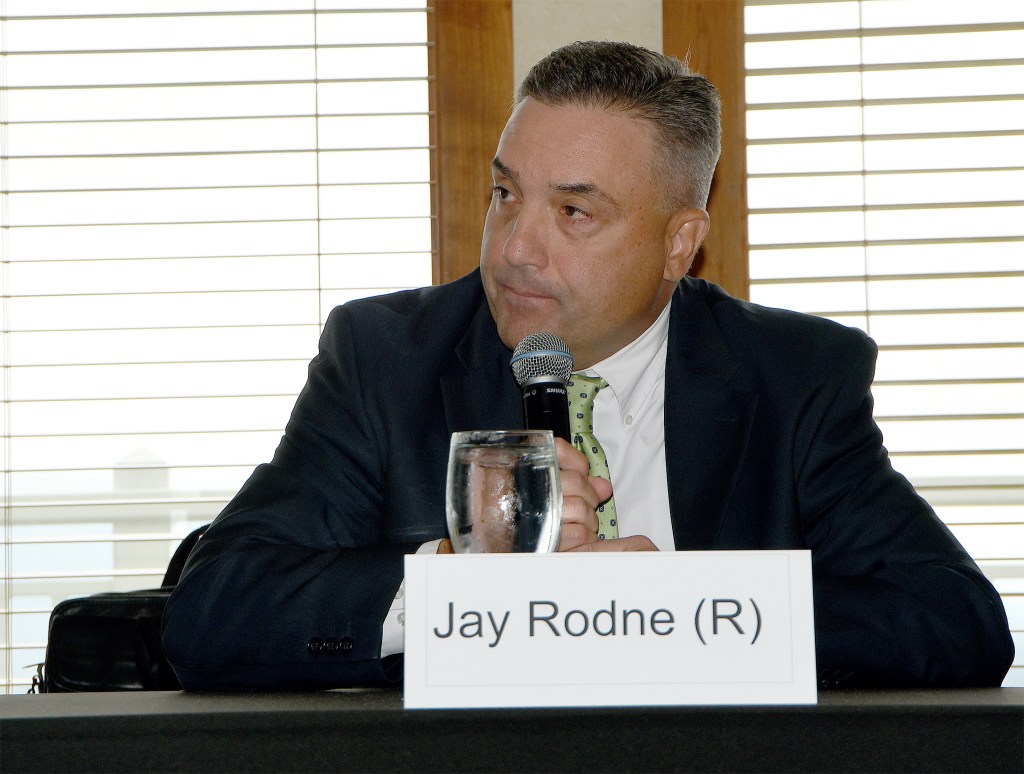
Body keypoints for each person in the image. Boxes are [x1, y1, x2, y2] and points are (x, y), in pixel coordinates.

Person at [162, 41, 1013, 690]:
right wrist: (457, 586)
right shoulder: (386, 358)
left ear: (680, 242)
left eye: (574, 212)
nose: (514, 249)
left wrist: (663, 611)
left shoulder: (792, 376)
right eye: (506, 195)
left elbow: (956, 622)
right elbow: (214, 614)